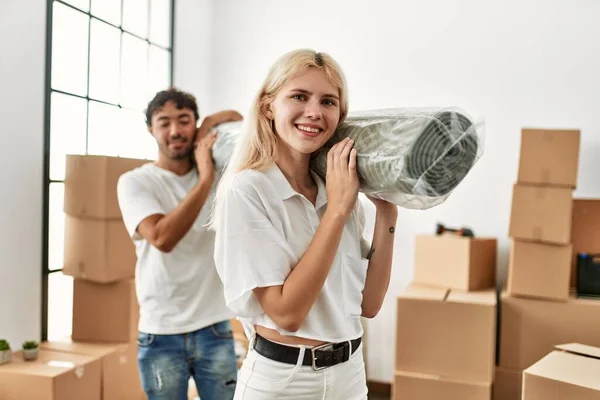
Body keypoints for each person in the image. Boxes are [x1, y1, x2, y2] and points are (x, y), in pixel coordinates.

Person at [211, 49, 398, 399]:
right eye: (299, 96)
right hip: (284, 382)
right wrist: (338, 211)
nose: (314, 112)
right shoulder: (248, 190)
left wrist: (387, 215)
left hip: (350, 375)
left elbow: (369, 304)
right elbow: (287, 314)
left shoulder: (336, 190)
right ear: (268, 107)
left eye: (328, 101)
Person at [117, 87, 242, 400]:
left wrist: (205, 128)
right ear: (151, 129)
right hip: (161, 332)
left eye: (184, 121)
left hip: (214, 324)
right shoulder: (136, 181)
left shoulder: (217, 171)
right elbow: (162, 237)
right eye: (164, 122)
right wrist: (204, 181)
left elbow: (239, 119)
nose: (175, 131)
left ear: (196, 125)